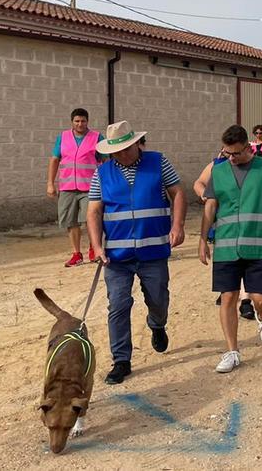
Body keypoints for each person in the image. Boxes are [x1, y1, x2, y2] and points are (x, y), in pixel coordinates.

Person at [86, 120, 187, 385]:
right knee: (118, 306)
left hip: (153, 251)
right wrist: (97, 246)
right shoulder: (102, 173)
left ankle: (157, 324)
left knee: (158, 299)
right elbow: (94, 211)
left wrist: (177, 225)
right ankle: (121, 360)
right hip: (117, 257)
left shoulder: (158, 162)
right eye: (116, 151)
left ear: (135, 144)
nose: (122, 155)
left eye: (126, 149)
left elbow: (177, 193)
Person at [198, 125, 262, 373]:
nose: (231, 158)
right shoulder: (219, 171)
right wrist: (203, 239)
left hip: (259, 243)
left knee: (260, 298)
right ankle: (232, 351)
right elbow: (210, 206)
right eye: (227, 153)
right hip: (227, 245)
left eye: (236, 153)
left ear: (248, 147)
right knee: (228, 297)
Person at [195, 150, 259, 322]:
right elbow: (199, 183)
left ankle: (245, 300)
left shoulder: (256, 166)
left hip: (248, 224)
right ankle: (229, 290)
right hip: (224, 224)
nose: (231, 155)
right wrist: (205, 194)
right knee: (227, 258)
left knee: (246, 258)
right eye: (226, 151)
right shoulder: (216, 166)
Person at [48, 108, 104, 267]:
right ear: (72, 122)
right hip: (67, 187)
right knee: (70, 221)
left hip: (90, 187)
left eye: (83, 121)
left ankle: (94, 249)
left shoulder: (97, 138)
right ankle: (76, 254)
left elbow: (106, 161)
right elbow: (54, 160)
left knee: (91, 219)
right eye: (77, 121)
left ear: (88, 121)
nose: (80, 124)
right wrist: (50, 183)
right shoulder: (63, 138)